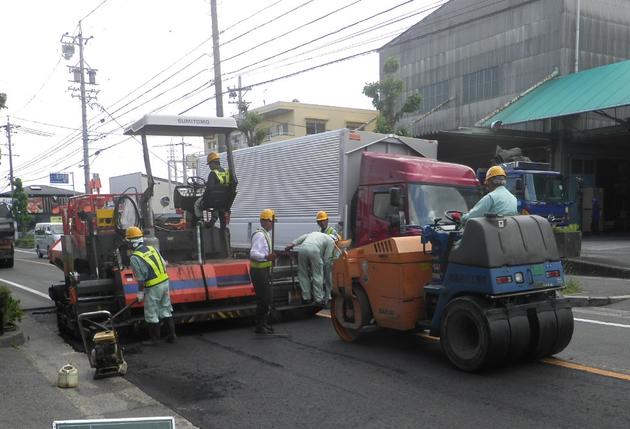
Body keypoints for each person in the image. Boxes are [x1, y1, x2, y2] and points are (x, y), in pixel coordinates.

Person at [126, 226, 176, 345]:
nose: (127, 244)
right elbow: (164, 264)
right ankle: (172, 336)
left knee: (151, 312)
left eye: (128, 241)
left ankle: (154, 340)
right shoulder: (152, 248)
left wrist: (140, 292)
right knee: (166, 309)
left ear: (132, 243)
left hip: (153, 287)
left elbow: (141, 279)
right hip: (165, 282)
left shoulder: (135, 257)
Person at [285, 232, 336, 305]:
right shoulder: (331, 241)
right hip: (314, 250)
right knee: (317, 275)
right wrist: (324, 267)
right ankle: (318, 299)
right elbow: (327, 258)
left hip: (302, 249)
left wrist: (292, 244)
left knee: (303, 273)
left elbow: (303, 236)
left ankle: (306, 298)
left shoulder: (315, 233)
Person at [250, 209, 276, 334]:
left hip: (263, 270)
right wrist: (266, 257)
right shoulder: (260, 235)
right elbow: (253, 254)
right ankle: (260, 326)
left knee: (267, 298)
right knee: (264, 298)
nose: (272, 224)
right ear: (265, 221)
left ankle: (263, 323)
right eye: (271, 222)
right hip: (258, 271)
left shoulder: (265, 234)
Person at [194, 152, 231, 226]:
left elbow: (209, 188)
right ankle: (217, 223)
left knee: (197, 203)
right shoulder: (227, 172)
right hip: (224, 201)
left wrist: (204, 197)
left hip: (213, 201)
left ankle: (202, 220)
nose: (209, 166)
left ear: (214, 163)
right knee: (221, 217)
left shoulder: (213, 173)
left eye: (210, 164)